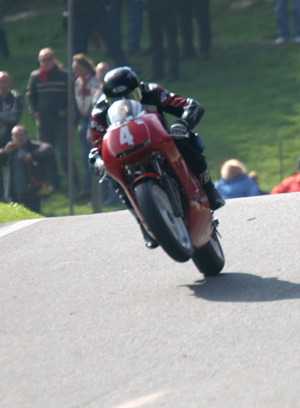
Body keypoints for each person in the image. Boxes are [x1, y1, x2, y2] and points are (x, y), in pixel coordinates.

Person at [88, 66, 224, 248]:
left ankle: (208, 189)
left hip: (159, 143)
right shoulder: (99, 114)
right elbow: (98, 146)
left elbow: (191, 106)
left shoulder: (153, 92)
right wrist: (99, 162)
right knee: (114, 179)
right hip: (126, 156)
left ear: (138, 90)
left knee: (187, 140)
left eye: (130, 97)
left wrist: (182, 124)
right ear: (107, 100)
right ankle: (143, 222)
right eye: (116, 101)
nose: (125, 103)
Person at [26, 47, 78, 189]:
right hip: (43, 120)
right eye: (44, 60)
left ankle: (73, 181)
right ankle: (52, 183)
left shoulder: (64, 75)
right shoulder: (35, 76)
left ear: (53, 59)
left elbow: (73, 96)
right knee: (47, 152)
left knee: (64, 153)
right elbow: (30, 95)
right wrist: (34, 111)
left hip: (61, 119)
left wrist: (66, 111)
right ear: (40, 62)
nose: (47, 62)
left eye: (49, 59)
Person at [0, 125, 58, 213]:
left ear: (26, 136)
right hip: (14, 192)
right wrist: (4, 152)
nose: (19, 138)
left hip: (32, 191)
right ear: (12, 138)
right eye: (16, 136)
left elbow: (48, 149)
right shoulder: (10, 150)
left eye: (21, 135)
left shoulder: (32, 146)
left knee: (34, 215)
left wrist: (32, 155)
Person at [72, 53, 99, 200]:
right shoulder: (77, 82)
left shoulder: (95, 80)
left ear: (84, 67)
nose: (74, 71)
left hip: (93, 118)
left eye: (76, 68)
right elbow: (76, 104)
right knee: (85, 156)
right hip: (83, 120)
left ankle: (99, 188)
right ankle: (87, 187)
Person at [72, 0, 128, 67]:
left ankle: (124, 67)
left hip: (99, 10)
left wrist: (103, 3)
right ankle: (79, 70)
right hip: (80, 12)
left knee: (113, 41)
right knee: (79, 47)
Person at [0, 71, 24, 201]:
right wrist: (6, 115)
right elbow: (9, 116)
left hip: (11, 139)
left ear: (9, 83)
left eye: (5, 81)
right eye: (0, 81)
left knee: (13, 168)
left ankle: (13, 198)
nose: (3, 84)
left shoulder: (16, 98)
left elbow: (14, 117)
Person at [144, 0, 179, 82]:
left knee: (171, 40)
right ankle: (157, 71)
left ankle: (173, 70)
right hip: (152, 6)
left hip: (167, 6)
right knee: (156, 40)